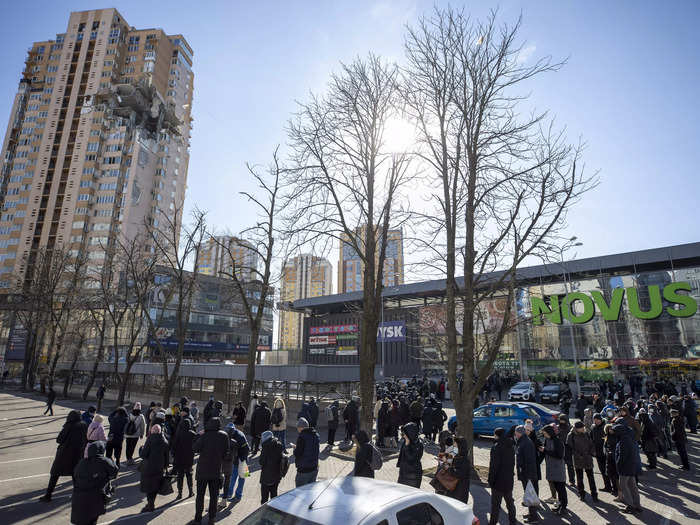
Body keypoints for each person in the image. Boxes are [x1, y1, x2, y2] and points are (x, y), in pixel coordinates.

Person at [40, 410, 88, 502]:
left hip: (64, 454)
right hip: (77, 454)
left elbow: (59, 439)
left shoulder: (69, 426)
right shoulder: (84, 425)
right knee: (75, 476)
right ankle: (78, 496)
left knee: (55, 474)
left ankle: (48, 495)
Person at [70, 441, 118, 525]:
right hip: (95, 496)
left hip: (78, 496)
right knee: (92, 518)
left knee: (81, 519)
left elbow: (75, 475)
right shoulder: (104, 461)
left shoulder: (82, 462)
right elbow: (114, 472)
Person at [192, 417, 229, 524]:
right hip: (216, 471)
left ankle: (198, 518)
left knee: (200, 496)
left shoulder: (205, 436)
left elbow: (194, 448)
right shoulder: (224, 436)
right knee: (214, 496)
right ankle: (212, 518)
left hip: (202, 471)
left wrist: (198, 435)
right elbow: (226, 453)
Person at [488, 427, 516, 525]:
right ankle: (513, 522)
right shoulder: (511, 445)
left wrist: (490, 480)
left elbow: (494, 466)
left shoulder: (496, 447)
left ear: (497, 435)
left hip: (498, 481)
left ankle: (493, 523)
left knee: (495, 505)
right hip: (508, 479)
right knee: (510, 503)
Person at [139, 424, 169, 513]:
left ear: (152, 431)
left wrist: (141, 449)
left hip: (149, 467)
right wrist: (165, 466)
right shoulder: (165, 441)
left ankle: (150, 505)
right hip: (159, 468)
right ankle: (151, 504)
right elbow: (167, 457)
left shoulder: (150, 439)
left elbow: (143, 455)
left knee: (149, 486)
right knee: (155, 486)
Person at [614, 422, 642, 515]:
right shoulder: (629, 437)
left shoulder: (623, 441)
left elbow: (622, 456)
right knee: (633, 486)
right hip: (632, 466)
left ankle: (630, 506)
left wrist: (618, 466)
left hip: (625, 468)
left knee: (624, 486)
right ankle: (637, 505)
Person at [567, 420, 597, 502]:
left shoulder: (586, 433)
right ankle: (582, 494)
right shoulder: (571, 435)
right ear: (576, 429)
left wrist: (592, 452)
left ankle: (594, 495)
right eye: (581, 428)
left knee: (591, 478)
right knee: (580, 478)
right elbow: (570, 448)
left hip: (588, 458)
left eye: (583, 427)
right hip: (578, 459)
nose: (583, 429)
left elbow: (591, 444)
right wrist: (578, 455)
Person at [540, 425, 567, 516]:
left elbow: (559, 455)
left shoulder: (557, 441)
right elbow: (546, 451)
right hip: (551, 468)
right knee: (557, 488)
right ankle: (560, 506)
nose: (544, 436)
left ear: (549, 433)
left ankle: (563, 507)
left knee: (561, 489)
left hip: (558, 469)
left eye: (545, 434)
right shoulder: (547, 440)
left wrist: (545, 451)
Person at [515, 425, 539, 523]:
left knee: (530, 495)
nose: (515, 435)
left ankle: (534, 517)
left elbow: (529, 461)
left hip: (528, 474)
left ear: (519, 433)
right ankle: (531, 514)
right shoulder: (523, 441)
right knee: (528, 494)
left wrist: (528, 476)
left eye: (516, 433)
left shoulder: (526, 443)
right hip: (526, 473)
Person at [171, 417, 196, 499]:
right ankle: (190, 491)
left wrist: (174, 456)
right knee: (189, 475)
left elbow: (174, 446)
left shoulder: (179, 434)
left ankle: (180, 493)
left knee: (180, 476)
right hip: (189, 458)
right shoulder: (192, 433)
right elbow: (197, 443)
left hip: (179, 458)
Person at [259, 430, 285, 504]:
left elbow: (261, 462)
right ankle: (274, 511)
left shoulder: (265, 447)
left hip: (266, 477)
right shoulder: (279, 445)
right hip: (276, 475)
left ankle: (264, 513)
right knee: (274, 496)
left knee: (264, 498)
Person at [225, 423, 249, 501]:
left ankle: (238, 496)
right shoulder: (231, 434)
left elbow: (247, 449)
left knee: (242, 478)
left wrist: (242, 461)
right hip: (236, 459)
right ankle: (228, 493)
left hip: (243, 459)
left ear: (232, 430)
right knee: (232, 477)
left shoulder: (240, 436)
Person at [293, 417, 320, 487]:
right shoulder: (316, 435)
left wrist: (295, 449)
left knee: (300, 492)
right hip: (314, 467)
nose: (297, 429)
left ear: (301, 427)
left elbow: (297, 454)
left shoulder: (302, 437)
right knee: (310, 491)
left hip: (304, 469)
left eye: (298, 427)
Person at [444, 437, 470, 504]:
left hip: (459, 490)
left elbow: (459, 473)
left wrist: (449, 468)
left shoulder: (464, 459)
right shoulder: (457, 454)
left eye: (455, 444)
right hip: (454, 488)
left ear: (459, 445)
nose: (454, 445)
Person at [397, 422, 423, 488]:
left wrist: (407, 445)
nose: (403, 435)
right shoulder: (406, 441)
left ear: (410, 433)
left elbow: (411, 458)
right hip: (404, 473)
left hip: (412, 475)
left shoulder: (418, 444)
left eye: (405, 434)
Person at [591, 413, 612, 492]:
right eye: (595, 420)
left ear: (601, 419)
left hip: (606, 452)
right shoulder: (593, 428)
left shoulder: (605, 427)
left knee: (610, 470)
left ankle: (615, 488)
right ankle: (607, 486)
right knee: (602, 470)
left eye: (597, 420)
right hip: (598, 453)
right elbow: (591, 439)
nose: (596, 421)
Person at [558, 415, 575, 485]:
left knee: (570, 465)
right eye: (560, 420)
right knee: (561, 466)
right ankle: (562, 479)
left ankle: (572, 480)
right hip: (560, 449)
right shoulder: (558, 427)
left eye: (563, 420)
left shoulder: (570, 428)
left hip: (568, 449)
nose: (561, 421)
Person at [604, 423, 620, 498]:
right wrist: (607, 451)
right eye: (609, 429)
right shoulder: (607, 437)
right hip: (609, 458)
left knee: (616, 476)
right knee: (611, 475)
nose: (610, 430)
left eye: (611, 429)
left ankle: (617, 490)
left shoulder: (616, 437)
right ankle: (614, 489)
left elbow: (617, 447)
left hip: (614, 458)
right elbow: (605, 446)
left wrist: (612, 452)